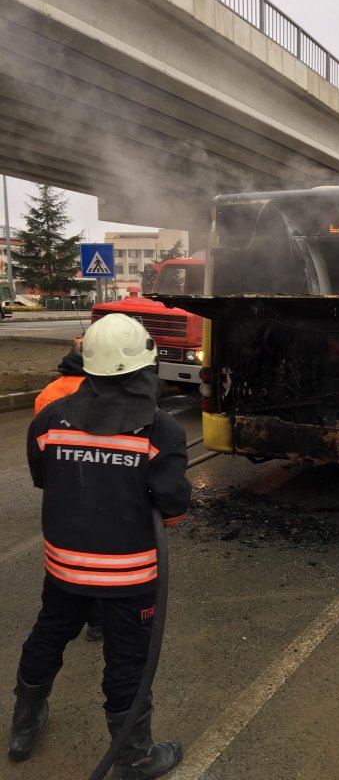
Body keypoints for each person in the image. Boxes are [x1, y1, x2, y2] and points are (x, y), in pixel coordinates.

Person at [8, 313, 191, 779]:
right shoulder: (160, 431)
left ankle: (23, 725)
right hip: (129, 576)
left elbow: (42, 478)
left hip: (64, 567)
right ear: (145, 368)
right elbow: (172, 507)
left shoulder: (51, 417)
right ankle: (135, 757)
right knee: (128, 660)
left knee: (49, 634)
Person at [33, 338, 105, 641]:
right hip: (101, 488)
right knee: (99, 557)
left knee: (66, 560)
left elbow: (39, 447)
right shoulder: (102, 392)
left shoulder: (48, 394)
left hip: (61, 490)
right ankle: (98, 621)